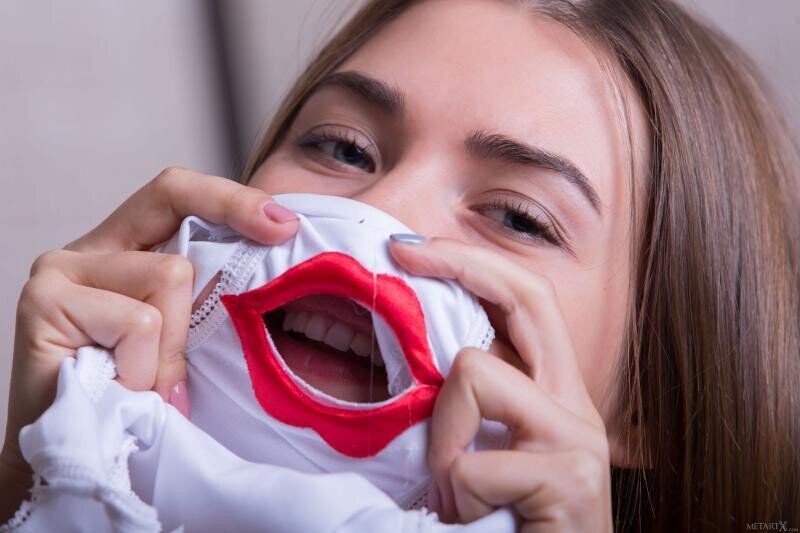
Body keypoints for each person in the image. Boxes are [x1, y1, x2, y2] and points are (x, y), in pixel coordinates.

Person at [2, 0, 798, 530]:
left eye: (519, 217)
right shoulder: (53, 468)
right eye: (342, 146)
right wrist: (26, 484)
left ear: (647, 404)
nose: (383, 212)